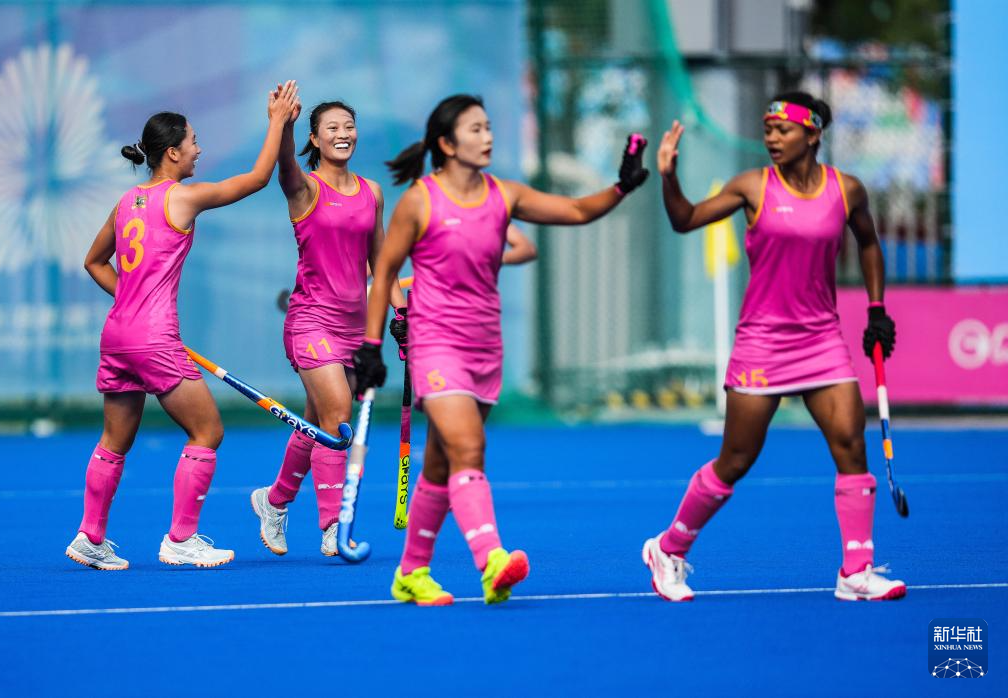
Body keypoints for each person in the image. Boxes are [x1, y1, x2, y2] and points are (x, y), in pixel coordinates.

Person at [357, 94, 649, 605]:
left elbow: (577, 210)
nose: (488, 136)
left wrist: (621, 186)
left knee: (441, 465)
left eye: (489, 127)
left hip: (485, 348)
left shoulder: (504, 195)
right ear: (447, 144)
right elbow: (383, 273)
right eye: (475, 129)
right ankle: (492, 560)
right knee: (470, 448)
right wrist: (371, 346)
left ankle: (411, 572)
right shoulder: (420, 201)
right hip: (437, 344)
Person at [643, 91, 905, 602]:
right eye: (767, 129)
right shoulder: (752, 187)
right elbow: (684, 219)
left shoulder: (846, 189)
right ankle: (668, 549)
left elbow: (869, 243)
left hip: (822, 339)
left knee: (851, 445)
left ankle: (856, 571)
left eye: (782, 129)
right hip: (763, 342)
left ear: (813, 134)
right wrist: (669, 177)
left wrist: (877, 309)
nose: (771, 138)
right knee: (736, 459)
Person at [66, 81, 301, 570]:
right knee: (207, 431)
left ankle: (90, 537)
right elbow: (258, 179)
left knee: (114, 442)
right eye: (193, 142)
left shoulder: (126, 201)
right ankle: (181, 539)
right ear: (172, 152)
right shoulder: (182, 198)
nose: (199, 149)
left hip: (118, 335)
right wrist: (278, 121)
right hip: (153, 337)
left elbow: (94, 261)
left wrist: (131, 299)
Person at [250, 99, 405, 557]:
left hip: (355, 328)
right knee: (338, 418)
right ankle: (333, 526)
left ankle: (274, 501)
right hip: (310, 321)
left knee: (318, 423)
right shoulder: (304, 189)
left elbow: (382, 261)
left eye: (349, 126)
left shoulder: (372, 192)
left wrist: (402, 314)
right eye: (332, 128)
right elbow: (284, 165)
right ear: (315, 139)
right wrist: (283, 124)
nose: (343, 134)